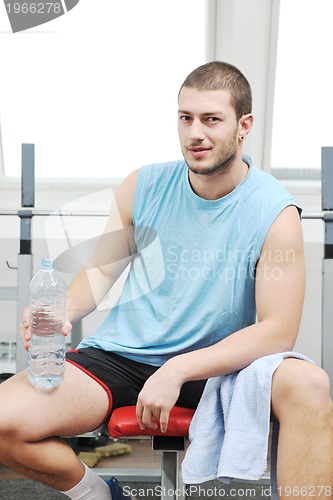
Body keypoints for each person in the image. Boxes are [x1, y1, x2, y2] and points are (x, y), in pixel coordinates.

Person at [0, 61, 332, 499]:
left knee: (310, 385)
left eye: (212, 119)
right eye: (186, 117)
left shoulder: (276, 212)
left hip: (214, 366)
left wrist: (177, 368)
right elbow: (98, 273)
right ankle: (101, 495)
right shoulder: (143, 185)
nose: (196, 132)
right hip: (121, 357)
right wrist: (58, 312)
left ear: (243, 125)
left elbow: (277, 330)